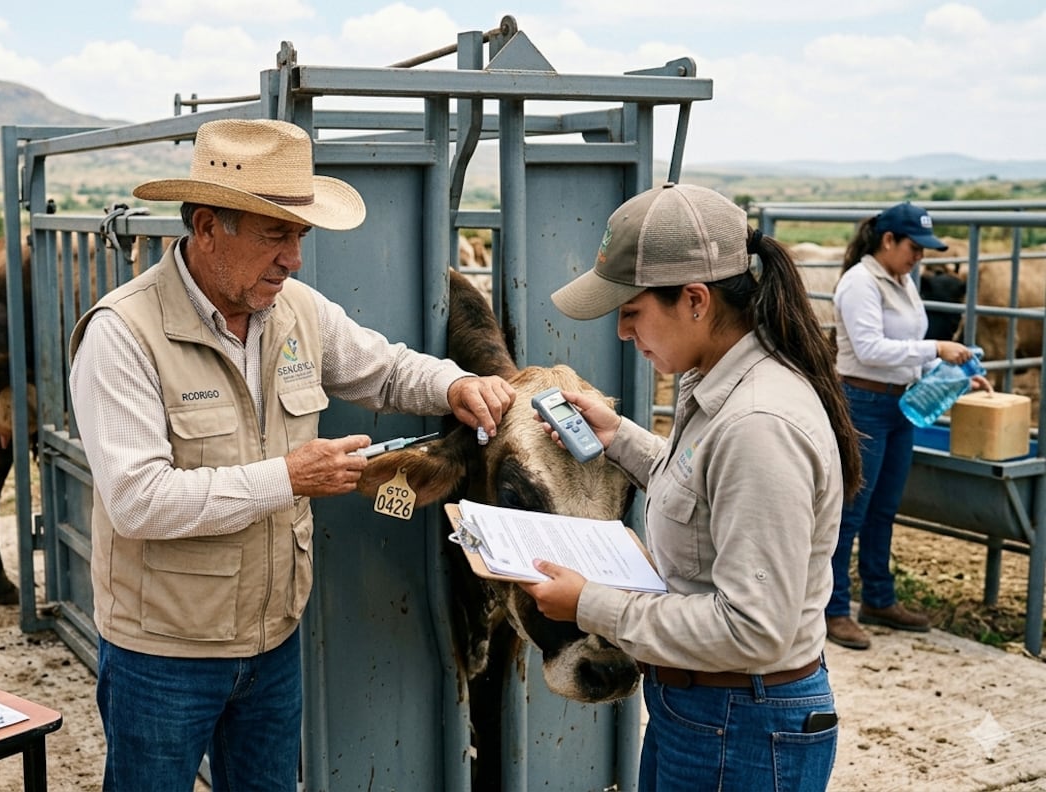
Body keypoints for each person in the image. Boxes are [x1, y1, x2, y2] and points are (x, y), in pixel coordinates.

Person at [67, 118, 516, 792]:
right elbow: (138, 501)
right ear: (207, 226)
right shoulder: (123, 334)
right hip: (164, 652)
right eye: (276, 234)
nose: (294, 259)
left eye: (299, 235)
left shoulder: (296, 310)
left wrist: (455, 384)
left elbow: (385, 371)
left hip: (273, 642)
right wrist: (288, 478)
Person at [519, 182, 862, 791]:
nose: (624, 332)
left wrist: (588, 603)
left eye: (631, 311)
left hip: (742, 727)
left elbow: (754, 629)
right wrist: (618, 436)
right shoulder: (716, 380)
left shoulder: (758, 424)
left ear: (696, 300)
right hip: (707, 711)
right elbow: (704, 491)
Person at [825, 202, 989, 650]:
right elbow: (871, 348)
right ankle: (833, 608)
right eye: (914, 247)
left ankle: (878, 597)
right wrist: (937, 348)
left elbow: (906, 347)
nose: (920, 257)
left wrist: (949, 375)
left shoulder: (901, 281)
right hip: (863, 402)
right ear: (888, 240)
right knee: (852, 510)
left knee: (883, 507)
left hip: (901, 405)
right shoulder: (860, 283)